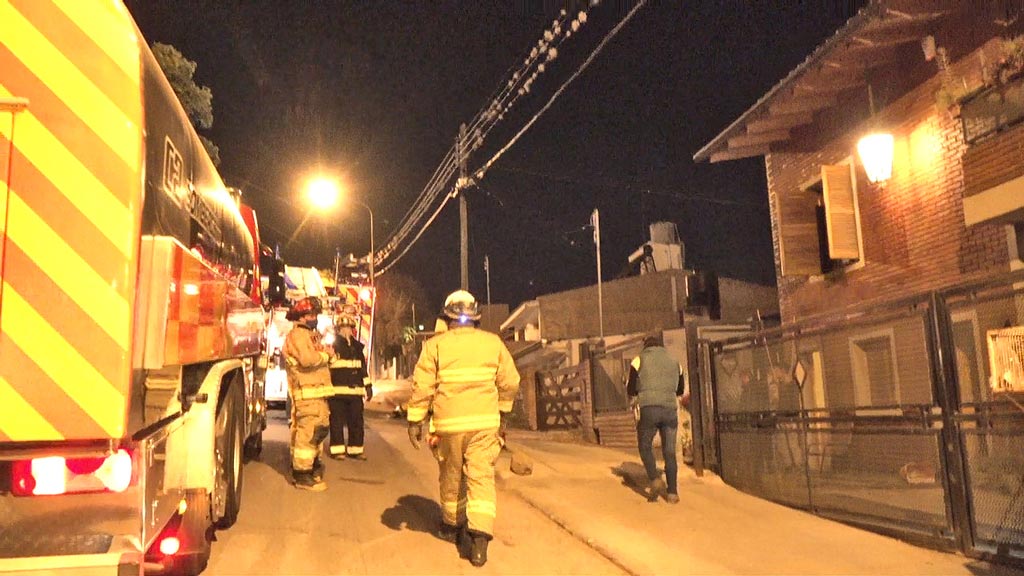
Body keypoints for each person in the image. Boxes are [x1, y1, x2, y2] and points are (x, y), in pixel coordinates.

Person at [407, 290, 520, 568]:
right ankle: (479, 541)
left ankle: (453, 525)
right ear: (476, 315)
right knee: (481, 477)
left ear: (447, 315)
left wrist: (415, 421)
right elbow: (511, 381)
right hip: (485, 424)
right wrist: (503, 410)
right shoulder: (493, 343)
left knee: (452, 474)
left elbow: (422, 387)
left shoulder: (435, 345)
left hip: (450, 426)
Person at [283, 296, 335, 491]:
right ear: (302, 316)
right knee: (307, 433)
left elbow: (321, 355)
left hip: (317, 394)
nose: (315, 318)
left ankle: (311, 468)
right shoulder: (298, 335)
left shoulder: (310, 335)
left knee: (317, 431)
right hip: (307, 394)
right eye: (311, 314)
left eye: (316, 314)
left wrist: (328, 355)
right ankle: (302, 475)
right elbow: (307, 359)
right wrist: (325, 356)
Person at [627, 334, 686, 504]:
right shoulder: (674, 361)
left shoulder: (639, 360)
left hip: (649, 409)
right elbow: (680, 390)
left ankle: (654, 478)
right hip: (669, 410)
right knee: (669, 452)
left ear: (646, 347)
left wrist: (640, 391)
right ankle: (673, 492)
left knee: (645, 446)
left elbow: (631, 388)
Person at [327, 305, 373, 460]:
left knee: (356, 422)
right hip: (337, 392)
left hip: (355, 392)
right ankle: (337, 450)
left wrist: (368, 386)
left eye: (349, 327)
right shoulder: (333, 346)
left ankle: (355, 450)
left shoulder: (358, 348)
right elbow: (327, 367)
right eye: (343, 327)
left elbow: (362, 369)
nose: (346, 330)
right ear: (338, 329)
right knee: (336, 422)